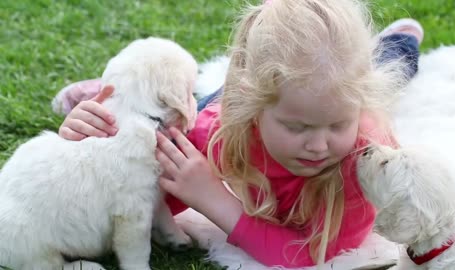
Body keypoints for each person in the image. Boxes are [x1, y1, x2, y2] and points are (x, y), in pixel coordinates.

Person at [56, 0, 424, 267]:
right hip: (233, 106)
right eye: (296, 126)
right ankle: (113, 94)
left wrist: (215, 200)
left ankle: (402, 40)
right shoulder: (218, 128)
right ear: (252, 108)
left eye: (339, 124)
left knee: (391, 63)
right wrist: (88, 143)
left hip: (334, 87)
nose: (318, 145)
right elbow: (136, 192)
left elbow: (314, 256)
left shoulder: (363, 162)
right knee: (193, 109)